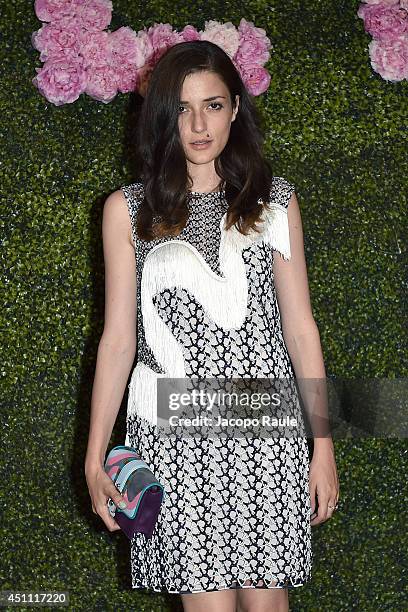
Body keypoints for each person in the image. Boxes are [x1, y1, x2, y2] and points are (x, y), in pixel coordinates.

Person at [85, 40, 339, 612]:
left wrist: (322, 446)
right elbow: (118, 340)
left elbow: (300, 328)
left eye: (214, 105)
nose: (198, 124)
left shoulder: (274, 200)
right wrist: (95, 453)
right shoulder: (129, 210)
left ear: (236, 107)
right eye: (181, 108)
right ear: (162, 116)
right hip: (175, 436)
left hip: (264, 430)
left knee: (268, 607)